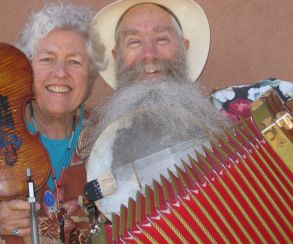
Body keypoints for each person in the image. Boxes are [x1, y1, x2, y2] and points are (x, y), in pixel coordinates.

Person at [0, 3, 105, 243]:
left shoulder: (106, 135)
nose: (60, 73)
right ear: (26, 70)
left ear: (90, 74)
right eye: (47, 59)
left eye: (74, 61)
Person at [86, 0, 229, 219]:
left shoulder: (239, 107)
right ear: (117, 56)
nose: (149, 54)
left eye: (162, 38)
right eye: (134, 42)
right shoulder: (96, 149)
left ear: (185, 47)